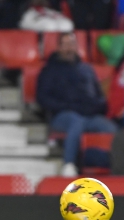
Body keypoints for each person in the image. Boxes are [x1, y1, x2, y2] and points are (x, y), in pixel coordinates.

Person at [37, 32, 117, 177]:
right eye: (65, 44)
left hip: (89, 115)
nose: (69, 48)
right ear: (59, 47)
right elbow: (43, 98)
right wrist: (68, 106)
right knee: (76, 122)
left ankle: (116, 164)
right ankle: (69, 164)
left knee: (109, 127)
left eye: (72, 44)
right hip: (62, 116)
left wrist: (97, 106)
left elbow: (99, 96)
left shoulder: (87, 69)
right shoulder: (49, 70)